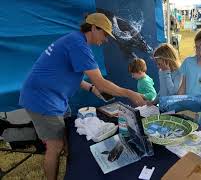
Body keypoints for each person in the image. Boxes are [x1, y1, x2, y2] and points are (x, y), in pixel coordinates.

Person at [19, 13, 146, 180]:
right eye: (105, 34)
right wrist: (129, 93)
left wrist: (91, 88)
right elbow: (102, 83)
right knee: (55, 147)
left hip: (53, 97)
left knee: (64, 138)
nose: (106, 39)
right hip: (42, 98)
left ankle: (70, 168)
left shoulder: (75, 40)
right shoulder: (78, 45)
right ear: (94, 28)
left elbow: (68, 72)